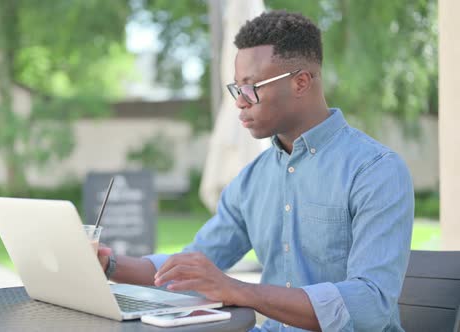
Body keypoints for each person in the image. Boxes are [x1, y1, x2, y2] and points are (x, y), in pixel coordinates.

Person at [98, 10, 413, 332]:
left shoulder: (375, 171)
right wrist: (108, 264)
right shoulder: (252, 179)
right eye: (237, 88)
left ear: (301, 82)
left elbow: (371, 304)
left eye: (251, 87)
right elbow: (192, 265)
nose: (239, 102)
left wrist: (240, 290)